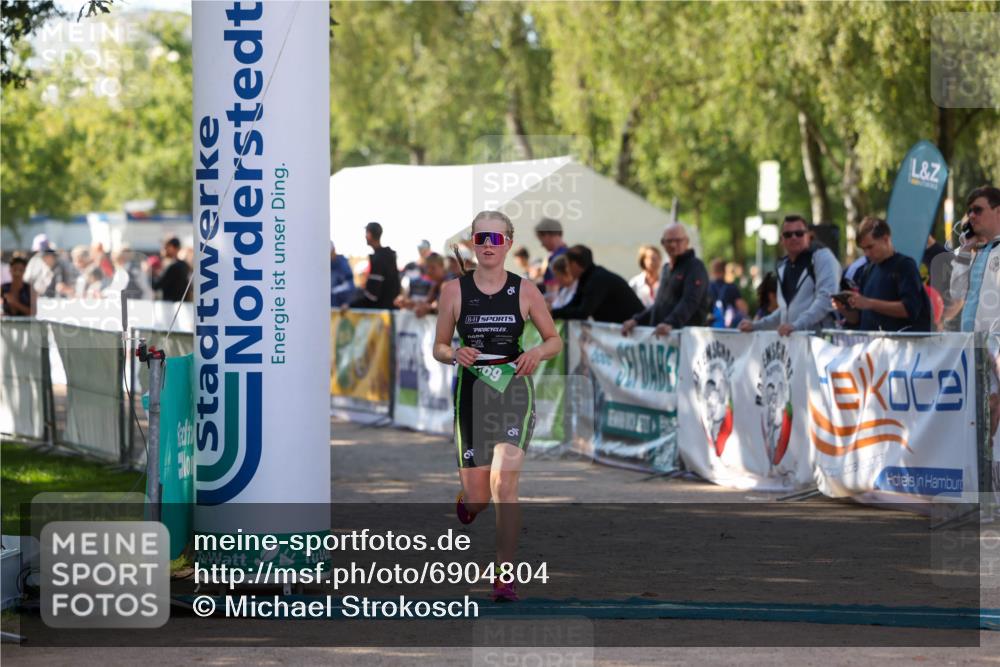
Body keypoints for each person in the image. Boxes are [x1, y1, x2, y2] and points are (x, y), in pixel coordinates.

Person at [432, 210, 562, 602]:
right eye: (481, 238)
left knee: (504, 483)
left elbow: (554, 339)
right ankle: (468, 505)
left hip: (513, 391)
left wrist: (537, 352)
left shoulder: (525, 290)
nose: (488, 245)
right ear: (472, 242)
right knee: (478, 498)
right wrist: (455, 353)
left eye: (496, 238)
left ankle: (504, 574)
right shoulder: (453, 291)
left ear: (508, 242)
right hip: (472, 394)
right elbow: (438, 346)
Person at [738, 215, 839, 336]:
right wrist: (756, 326)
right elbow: (785, 311)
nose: (794, 238)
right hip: (793, 344)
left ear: (809, 236)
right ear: (781, 239)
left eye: (799, 233)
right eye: (788, 235)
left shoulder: (822, 257)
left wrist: (797, 325)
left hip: (819, 343)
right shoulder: (783, 266)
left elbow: (826, 299)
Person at [833, 217, 930, 332]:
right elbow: (858, 319)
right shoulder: (868, 270)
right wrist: (843, 307)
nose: (867, 253)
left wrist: (869, 303)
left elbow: (909, 309)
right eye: (863, 249)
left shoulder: (905, 265)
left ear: (885, 239)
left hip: (901, 345)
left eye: (870, 247)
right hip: (872, 346)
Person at [621, 223, 710, 337]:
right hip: (662, 339)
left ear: (686, 241)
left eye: (678, 240)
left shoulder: (695, 267)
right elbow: (659, 305)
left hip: (685, 340)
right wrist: (636, 320)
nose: (673, 245)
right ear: (663, 243)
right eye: (669, 241)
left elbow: (690, 301)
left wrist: (670, 323)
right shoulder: (666, 269)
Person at [950, 186, 1000, 333]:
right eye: (969, 211)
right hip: (970, 344)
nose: (971, 215)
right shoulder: (972, 252)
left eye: (978, 210)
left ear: (998, 211)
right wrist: (965, 250)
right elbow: (957, 293)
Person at [550, 245, 644, 323]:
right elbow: (575, 303)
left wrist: (553, 313)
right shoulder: (588, 278)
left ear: (574, 264)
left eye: (567, 265)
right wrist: (552, 313)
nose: (567, 270)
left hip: (635, 330)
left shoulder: (597, 279)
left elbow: (583, 312)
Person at [348, 222, 401, 310]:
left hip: (382, 314)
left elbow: (373, 295)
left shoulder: (380, 259)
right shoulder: (388, 256)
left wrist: (350, 306)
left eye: (366, 233)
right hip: (389, 311)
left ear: (369, 234)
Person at [707, 258, 747, 328]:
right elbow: (743, 308)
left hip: (710, 328)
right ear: (724, 271)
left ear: (712, 271)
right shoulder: (731, 287)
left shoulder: (707, 287)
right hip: (728, 329)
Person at [535, 218, 568, 303]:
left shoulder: (554, 259)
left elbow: (552, 296)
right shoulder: (572, 254)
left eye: (541, 240)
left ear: (547, 235)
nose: (542, 245)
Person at [152, 237, 191, 302]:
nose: (163, 250)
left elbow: (157, 285)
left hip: (171, 305)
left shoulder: (174, 266)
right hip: (181, 304)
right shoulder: (184, 265)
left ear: (172, 248)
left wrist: (151, 273)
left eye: (166, 247)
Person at [330, 243, 355, 308]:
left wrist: (347, 302)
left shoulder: (342, 265)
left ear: (334, 251)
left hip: (339, 308)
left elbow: (350, 285)